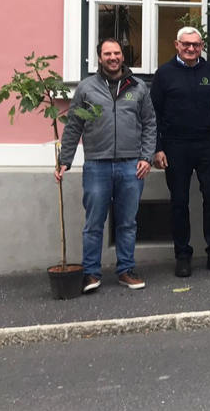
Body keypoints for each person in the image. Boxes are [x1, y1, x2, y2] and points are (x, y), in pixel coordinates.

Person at [57, 38, 157, 293]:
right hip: (97, 166)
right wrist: (64, 160)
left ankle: (126, 270)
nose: (113, 57)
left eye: (117, 53)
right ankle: (91, 273)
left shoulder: (138, 87)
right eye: (107, 53)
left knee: (127, 222)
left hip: (130, 166)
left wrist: (146, 157)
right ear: (99, 58)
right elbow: (73, 126)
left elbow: (150, 123)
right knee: (94, 223)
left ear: (123, 57)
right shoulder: (86, 88)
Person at [151, 26, 210, 278]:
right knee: (179, 202)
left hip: (207, 144)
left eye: (196, 45)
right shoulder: (164, 74)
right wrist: (157, 148)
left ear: (201, 47)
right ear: (176, 45)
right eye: (186, 44)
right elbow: (153, 114)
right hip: (175, 145)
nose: (191, 49)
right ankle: (182, 256)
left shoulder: (208, 70)